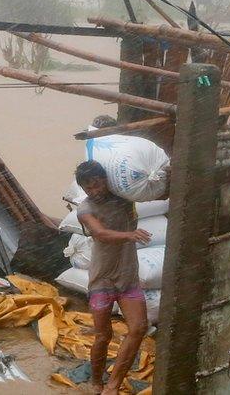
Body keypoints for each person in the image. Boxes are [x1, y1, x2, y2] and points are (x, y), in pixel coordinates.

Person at [74, 160, 151, 395]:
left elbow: (151, 186)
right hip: (102, 281)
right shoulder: (85, 209)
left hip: (128, 279)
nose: (94, 192)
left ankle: (113, 385)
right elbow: (99, 233)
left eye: (97, 184)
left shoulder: (125, 197)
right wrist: (129, 234)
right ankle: (96, 380)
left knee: (138, 328)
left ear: (106, 180)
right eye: (88, 188)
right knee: (103, 335)